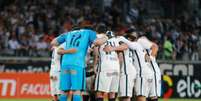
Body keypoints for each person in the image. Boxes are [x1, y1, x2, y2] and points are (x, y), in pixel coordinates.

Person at [50, 25, 108, 101]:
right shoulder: (89, 32)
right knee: (76, 91)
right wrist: (106, 37)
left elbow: (53, 42)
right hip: (77, 64)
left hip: (65, 64)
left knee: (64, 91)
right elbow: (97, 42)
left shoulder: (68, 34)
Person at [106, 31, 154, 101]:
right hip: (135, 72)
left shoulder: (132, 44)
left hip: (129, 72)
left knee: (127, 96)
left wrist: (115, 44)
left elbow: (125, 46)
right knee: (131, 96)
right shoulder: (134, 45)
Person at [104, 31, 137, 101]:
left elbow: (125, 46)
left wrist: (112, 48)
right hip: (128, 70)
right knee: (122, 96)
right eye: (129, 37)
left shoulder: (121, 41)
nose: (130, 39)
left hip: (126, 71)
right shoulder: (130, 44)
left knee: (125, 96)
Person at [94, 31, 124, 101]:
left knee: (100, 92)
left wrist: (95, 65)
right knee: (112, 92)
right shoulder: (117, 41)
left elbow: (96, 53)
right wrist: (119, 68)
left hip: (105, 65)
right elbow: (121, 56)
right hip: (116, 67)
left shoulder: (100, 38)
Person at [137, 34, 161, 101]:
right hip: (145, 72)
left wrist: (151, 57)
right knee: (145, 96)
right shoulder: (135, 43)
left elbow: (155, 46)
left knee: (153, 96)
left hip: (153, 71)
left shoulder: (140, 40)